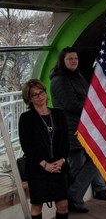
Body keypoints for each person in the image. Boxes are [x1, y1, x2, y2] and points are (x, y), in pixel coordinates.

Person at [50, 47, 106, 214]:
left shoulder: (78, 76)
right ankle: (69, 200)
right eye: (70, 59)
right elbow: (71, 105)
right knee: (75, 165)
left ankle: (72, 196)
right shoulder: (60, 80)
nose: (74, 61)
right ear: (63, 60)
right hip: (71, 129)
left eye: (75, 58)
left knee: (94, 160)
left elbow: (88, 97)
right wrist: (94, 108)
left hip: (84, 127)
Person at [19, 79, 70, 219]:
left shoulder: (58, 114)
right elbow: (27, 146)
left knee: (63, 205)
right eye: (35, 95)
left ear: (45, 93)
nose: (40, 96)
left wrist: (62, 160)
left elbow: (66, 141)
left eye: (41, 92)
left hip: (59, 167)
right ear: (29, 99)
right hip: (38, 168)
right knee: (36, 205)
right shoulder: (26, 118)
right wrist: (45, 164)